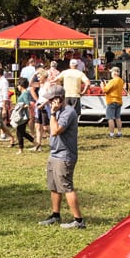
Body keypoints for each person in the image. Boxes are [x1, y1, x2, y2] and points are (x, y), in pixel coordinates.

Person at [39, 85, 84, 229]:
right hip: (54, 153)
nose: (49, 102)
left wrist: (52, 113)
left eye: (51, 100)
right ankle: (55, 215)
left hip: (65, 155)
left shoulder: (68, 113)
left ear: (58, 99)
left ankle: (78, 221)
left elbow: (55, 131)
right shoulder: (57, 110)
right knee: (54, 186)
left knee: (66, 187)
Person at [102, 66, 126, 139]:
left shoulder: (112, 81)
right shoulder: (121, 81)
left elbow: (105, 90)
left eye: (112, 72)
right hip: (119, 100)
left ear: (114, 73)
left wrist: (102, 85)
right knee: (118, 117)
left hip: (111, 100)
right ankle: (119, 133)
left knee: (110, 118)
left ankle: (111, 134)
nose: (111, 74)